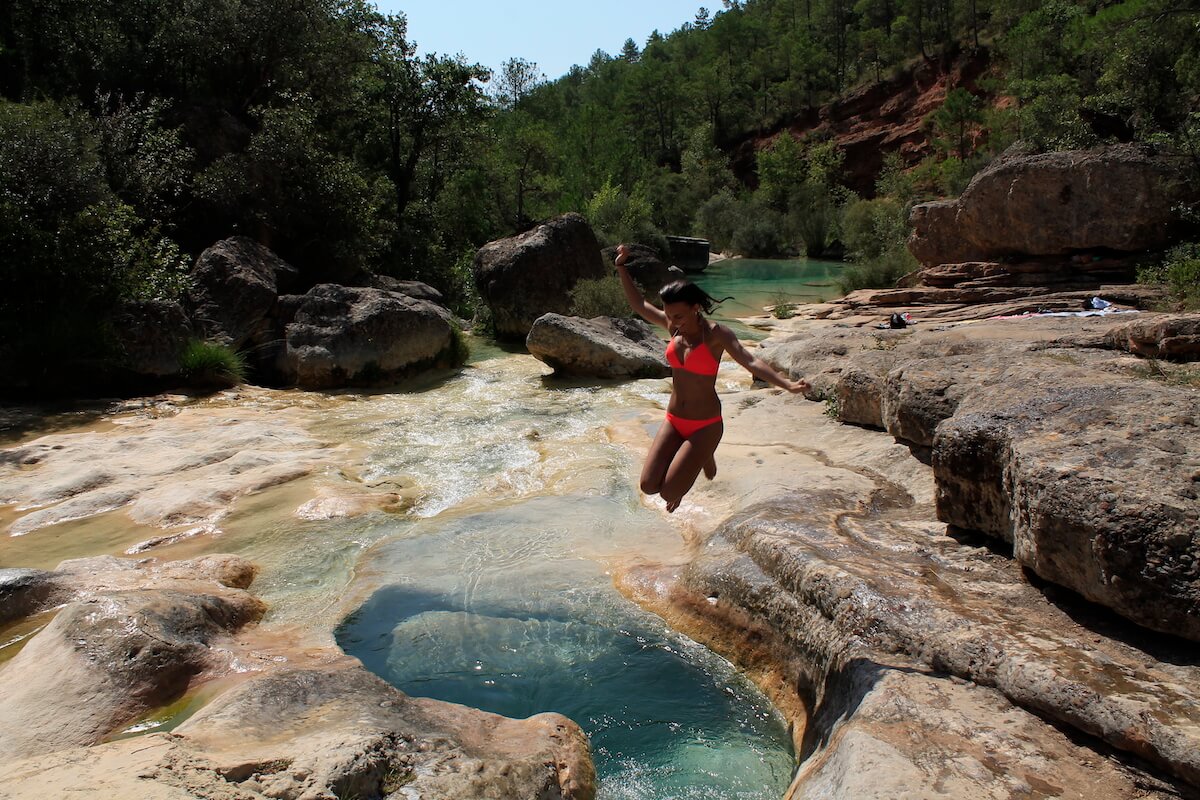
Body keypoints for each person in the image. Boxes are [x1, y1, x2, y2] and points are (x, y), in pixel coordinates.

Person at [614, 243, 810, 513]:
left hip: (705, 424)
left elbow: (750, 360)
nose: (673, 321)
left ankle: (701, 454)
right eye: (669, 315)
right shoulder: (673, 327)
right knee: (648, 486)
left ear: (696, 308)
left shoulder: (718, 335)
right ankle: (695, 458)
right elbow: (638, 304)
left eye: (679, 315)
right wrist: (621, 267)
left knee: (670, 491)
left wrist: (786, 384)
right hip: (674, 419)